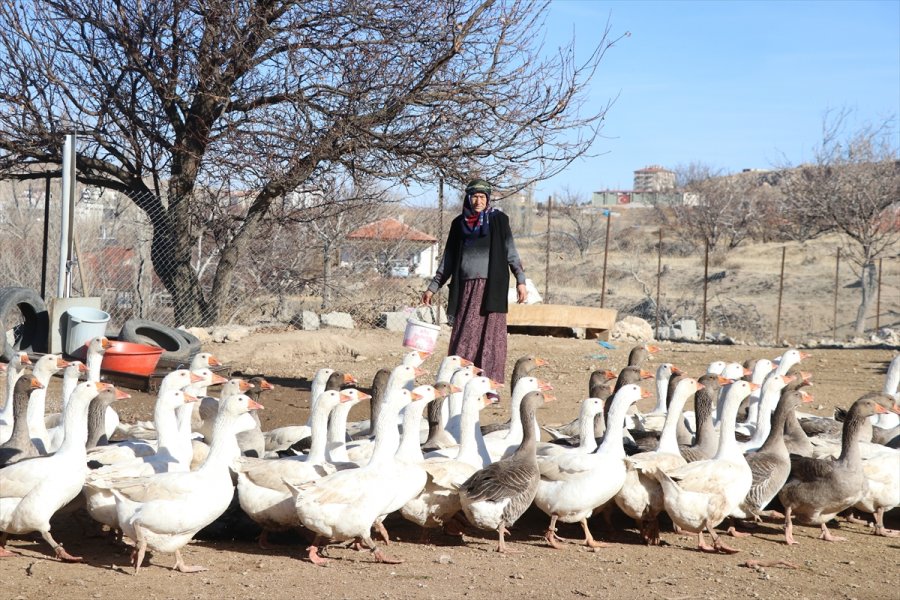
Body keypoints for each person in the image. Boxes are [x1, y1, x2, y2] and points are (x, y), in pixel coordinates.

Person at [422, 178, 527, 386]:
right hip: (467, 288)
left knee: (492, 337)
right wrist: (433, 287)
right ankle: (460, 382)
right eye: (474, 196)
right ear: (468, 198)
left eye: (482, 197)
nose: (478, 201)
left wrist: (520, 281)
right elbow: (448, 260)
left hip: (493, 288)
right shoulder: (458, 224)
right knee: (465, 334)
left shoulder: (499, 221)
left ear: (488, 199)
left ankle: (489, 385)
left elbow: (511, 253)